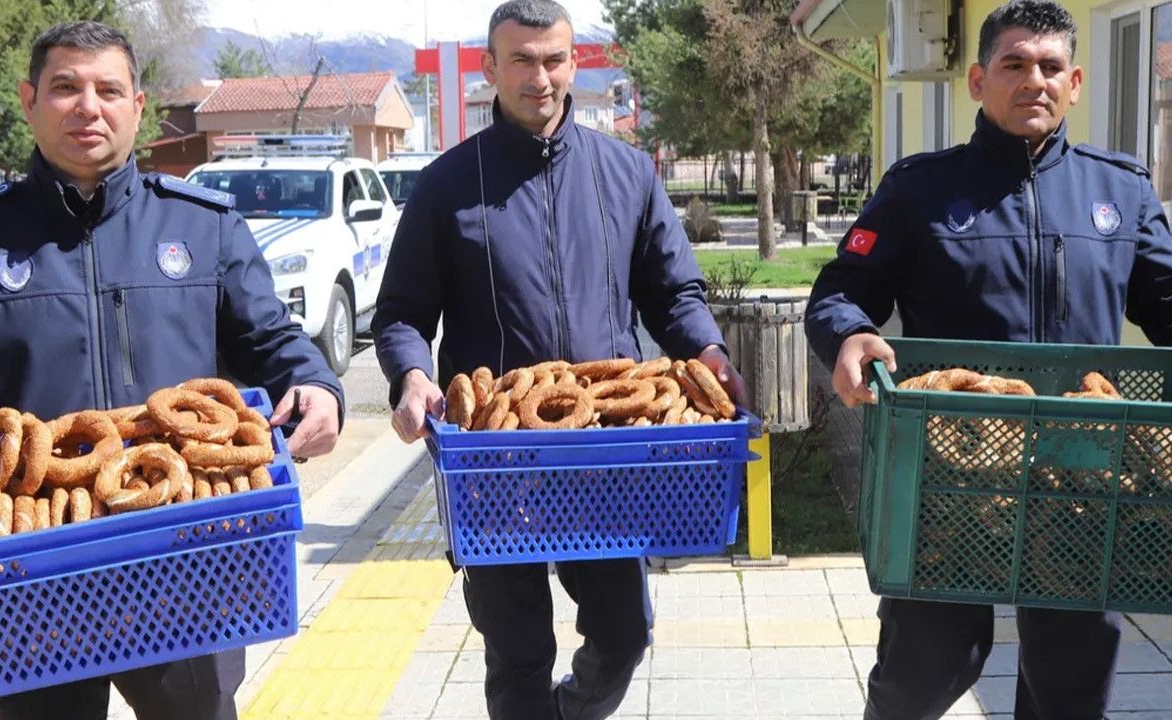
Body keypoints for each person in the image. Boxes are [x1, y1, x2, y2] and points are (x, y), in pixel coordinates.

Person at [0, 20, 345, 720]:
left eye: (108, 89)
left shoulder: (205, 227)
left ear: (138, 106)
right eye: (65, 87)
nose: (87, 106)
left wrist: (316, 385)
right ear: (29, 101)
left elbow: (270, 337)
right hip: (28, 572)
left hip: (187, 555)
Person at [371, 2, 748, 718]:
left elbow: (674, 293)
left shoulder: (626, 173)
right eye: (520, 59)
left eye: (553, 59)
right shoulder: (448, 185)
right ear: (489, 68)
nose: (538, 77)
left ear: (575, 64)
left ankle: (575, 710)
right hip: (494, 463)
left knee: (625, 632)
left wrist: (706, 350)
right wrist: (412, 374)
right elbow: (402, 315)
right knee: (517, 654)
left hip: (604, 456)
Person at [804, 0, 1172, 717]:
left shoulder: (1120, 192)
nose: (1033, 80)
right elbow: (841, 291)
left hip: (1080, 479)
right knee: (922, 675)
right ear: (977, 81)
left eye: (1050, 66)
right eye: (1013, 65)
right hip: (947, 481)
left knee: (1070, 688)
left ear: (1076, 82)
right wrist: (848, 335)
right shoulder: (920, 190)